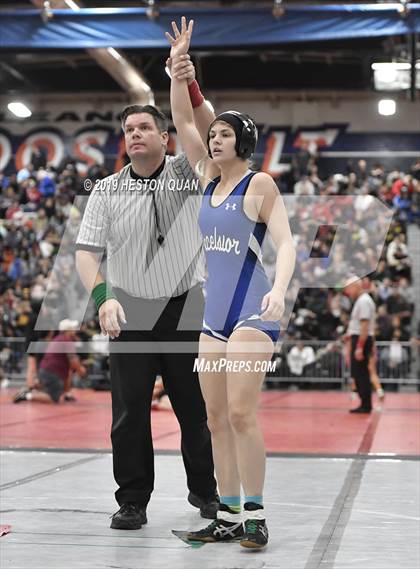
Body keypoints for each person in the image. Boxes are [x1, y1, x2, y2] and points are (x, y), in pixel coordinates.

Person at [167, 18, 296, 549]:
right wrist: (180, 70)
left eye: (221, 134)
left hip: (252, 310)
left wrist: (280, 288)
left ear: (241, 141)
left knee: (242, 413)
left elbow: (285, 243)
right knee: (214, 419)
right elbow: (181, 116)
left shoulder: (257, 182)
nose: (211, 139)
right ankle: (227, 515)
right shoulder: (205, 178)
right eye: (210, 135)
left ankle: (257, 517)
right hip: (213, 317)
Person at [75, 66, 218, 530]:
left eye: (143, 128)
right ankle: (133, 499)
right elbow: (86, 255)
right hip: (130, 310)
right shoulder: (106, 191)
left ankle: (206, 492)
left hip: (184, 307)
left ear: (164, 136)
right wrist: (102, 297)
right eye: (128, 130)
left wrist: (184, 78)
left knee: (195, 410)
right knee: (129, 415)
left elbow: (200, 123)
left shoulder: (186, 173)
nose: (135, 135)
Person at [13, 319, 86, 404]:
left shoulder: (58, 338)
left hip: (46, 371)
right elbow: (73, 361)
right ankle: (27, 396)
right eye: (73, 329)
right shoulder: (66, 340)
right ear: (68, 330)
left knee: (61, 381)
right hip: (52, 373)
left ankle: (30, 390)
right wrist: (81, 370)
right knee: (52, 399)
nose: (75, 330)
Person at [343, 278, 376, 413]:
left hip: (361, 339)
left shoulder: (363, 301)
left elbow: (364, 326)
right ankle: (364, 403)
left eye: (349, 289)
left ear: (355, 286)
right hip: (358, 338)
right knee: (359, 372)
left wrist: (359, 346)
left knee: (361, 373)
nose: (348, 293)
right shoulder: (362, 300)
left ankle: (366, 404)